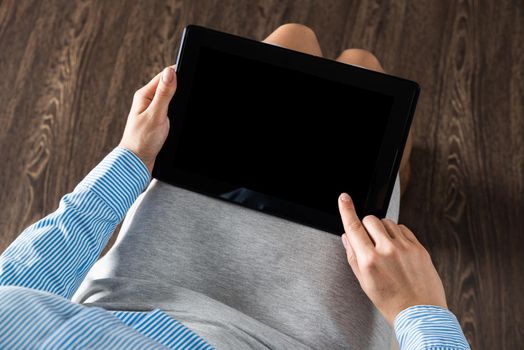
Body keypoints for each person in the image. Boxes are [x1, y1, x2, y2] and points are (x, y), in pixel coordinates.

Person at [0, 24, 470, 349]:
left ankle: (395, 178)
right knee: (366, 73)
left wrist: (132, 159)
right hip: (295, 337)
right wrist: (418, 310)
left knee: (291, 41)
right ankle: (398, 178)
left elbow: (18, 284)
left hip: (139, 290)